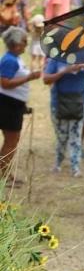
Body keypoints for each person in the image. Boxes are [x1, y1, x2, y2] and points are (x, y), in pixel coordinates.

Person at [43, 51, 84, 177]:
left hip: (79, 103)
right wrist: (65, 71)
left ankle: (75, 168)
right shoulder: (56, 59)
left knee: (76, 135)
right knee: (61, 136)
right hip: (59, 103)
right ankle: (58, 163)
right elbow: (46, 79)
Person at [1, 26, 40, 185]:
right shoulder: (9, 60)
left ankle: (4, 172)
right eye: (24, 41)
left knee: (12, 140)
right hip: (7, 105)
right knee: (11, 141)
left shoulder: (13, 58)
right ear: (16, 44)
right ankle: (3, 175)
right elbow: (5, 83)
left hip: (13, 104)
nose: (26, 43)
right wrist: (29, 77)